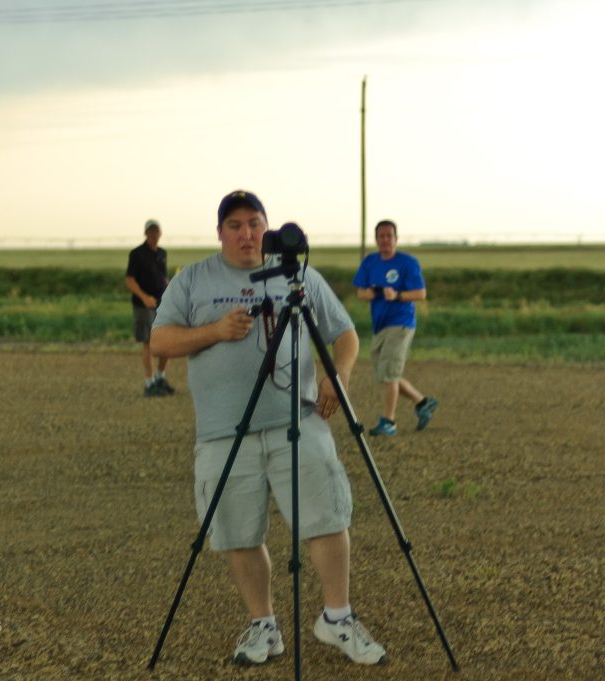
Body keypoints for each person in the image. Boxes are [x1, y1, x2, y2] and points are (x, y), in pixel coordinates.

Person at [151, 190, 386, 667]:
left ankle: (337, 618)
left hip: (297, 420)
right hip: (223, 432)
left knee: (326, 517)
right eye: (235, 225)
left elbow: (345, 334)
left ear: (268, 227)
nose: (246, 234)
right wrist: (214, 331)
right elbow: (161, 339)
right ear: (219, 232)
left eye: (255, 223)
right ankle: (264, 626)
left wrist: (336, 375)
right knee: (237, 532)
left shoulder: (298, 276)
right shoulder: (192, 279)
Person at [353, 219, 438, 436]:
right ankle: (422, 402)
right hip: (379, 325)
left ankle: (389, 422)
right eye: (381, 236)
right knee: (386, 373)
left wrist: (397, 295)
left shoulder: (408, 262)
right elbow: (360, 292)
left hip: (400, 322)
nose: (385, 240)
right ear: (376, 239)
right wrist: (370, 293)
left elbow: (420, 293)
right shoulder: (370, 262)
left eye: (389, 236)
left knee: (389, 373)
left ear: (396, 238)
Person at [126, 219, 174, 397]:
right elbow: (130, 280)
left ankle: (160, 377)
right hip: (143, 305)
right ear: (146, 233)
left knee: (166, 341)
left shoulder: (162, 253)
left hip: (162, 303)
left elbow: (163, 277)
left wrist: (172, 292)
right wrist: (144, 297)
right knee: (148, 342)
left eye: (157, 231)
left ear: (160, 233)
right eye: (151, 231)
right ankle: (149, 383)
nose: (154, 234)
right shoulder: (137, 254)